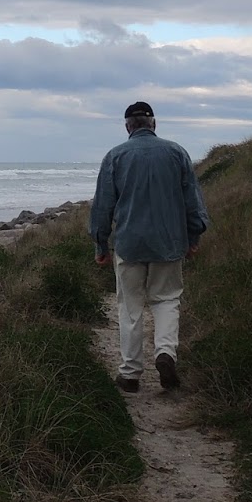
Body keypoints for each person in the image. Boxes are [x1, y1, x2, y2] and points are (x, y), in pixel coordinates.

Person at [89, 101, 209, 394]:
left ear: (128, 126)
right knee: (166, 300)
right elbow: (192, 202)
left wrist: (100, 243)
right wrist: (194, 237)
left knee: (130, 307)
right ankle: (165, 352)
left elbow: (103, 205)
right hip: (169, 243)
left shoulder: (115, 156)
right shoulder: (176, 153)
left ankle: (130, 374)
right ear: (153, 124)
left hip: (129, 244)